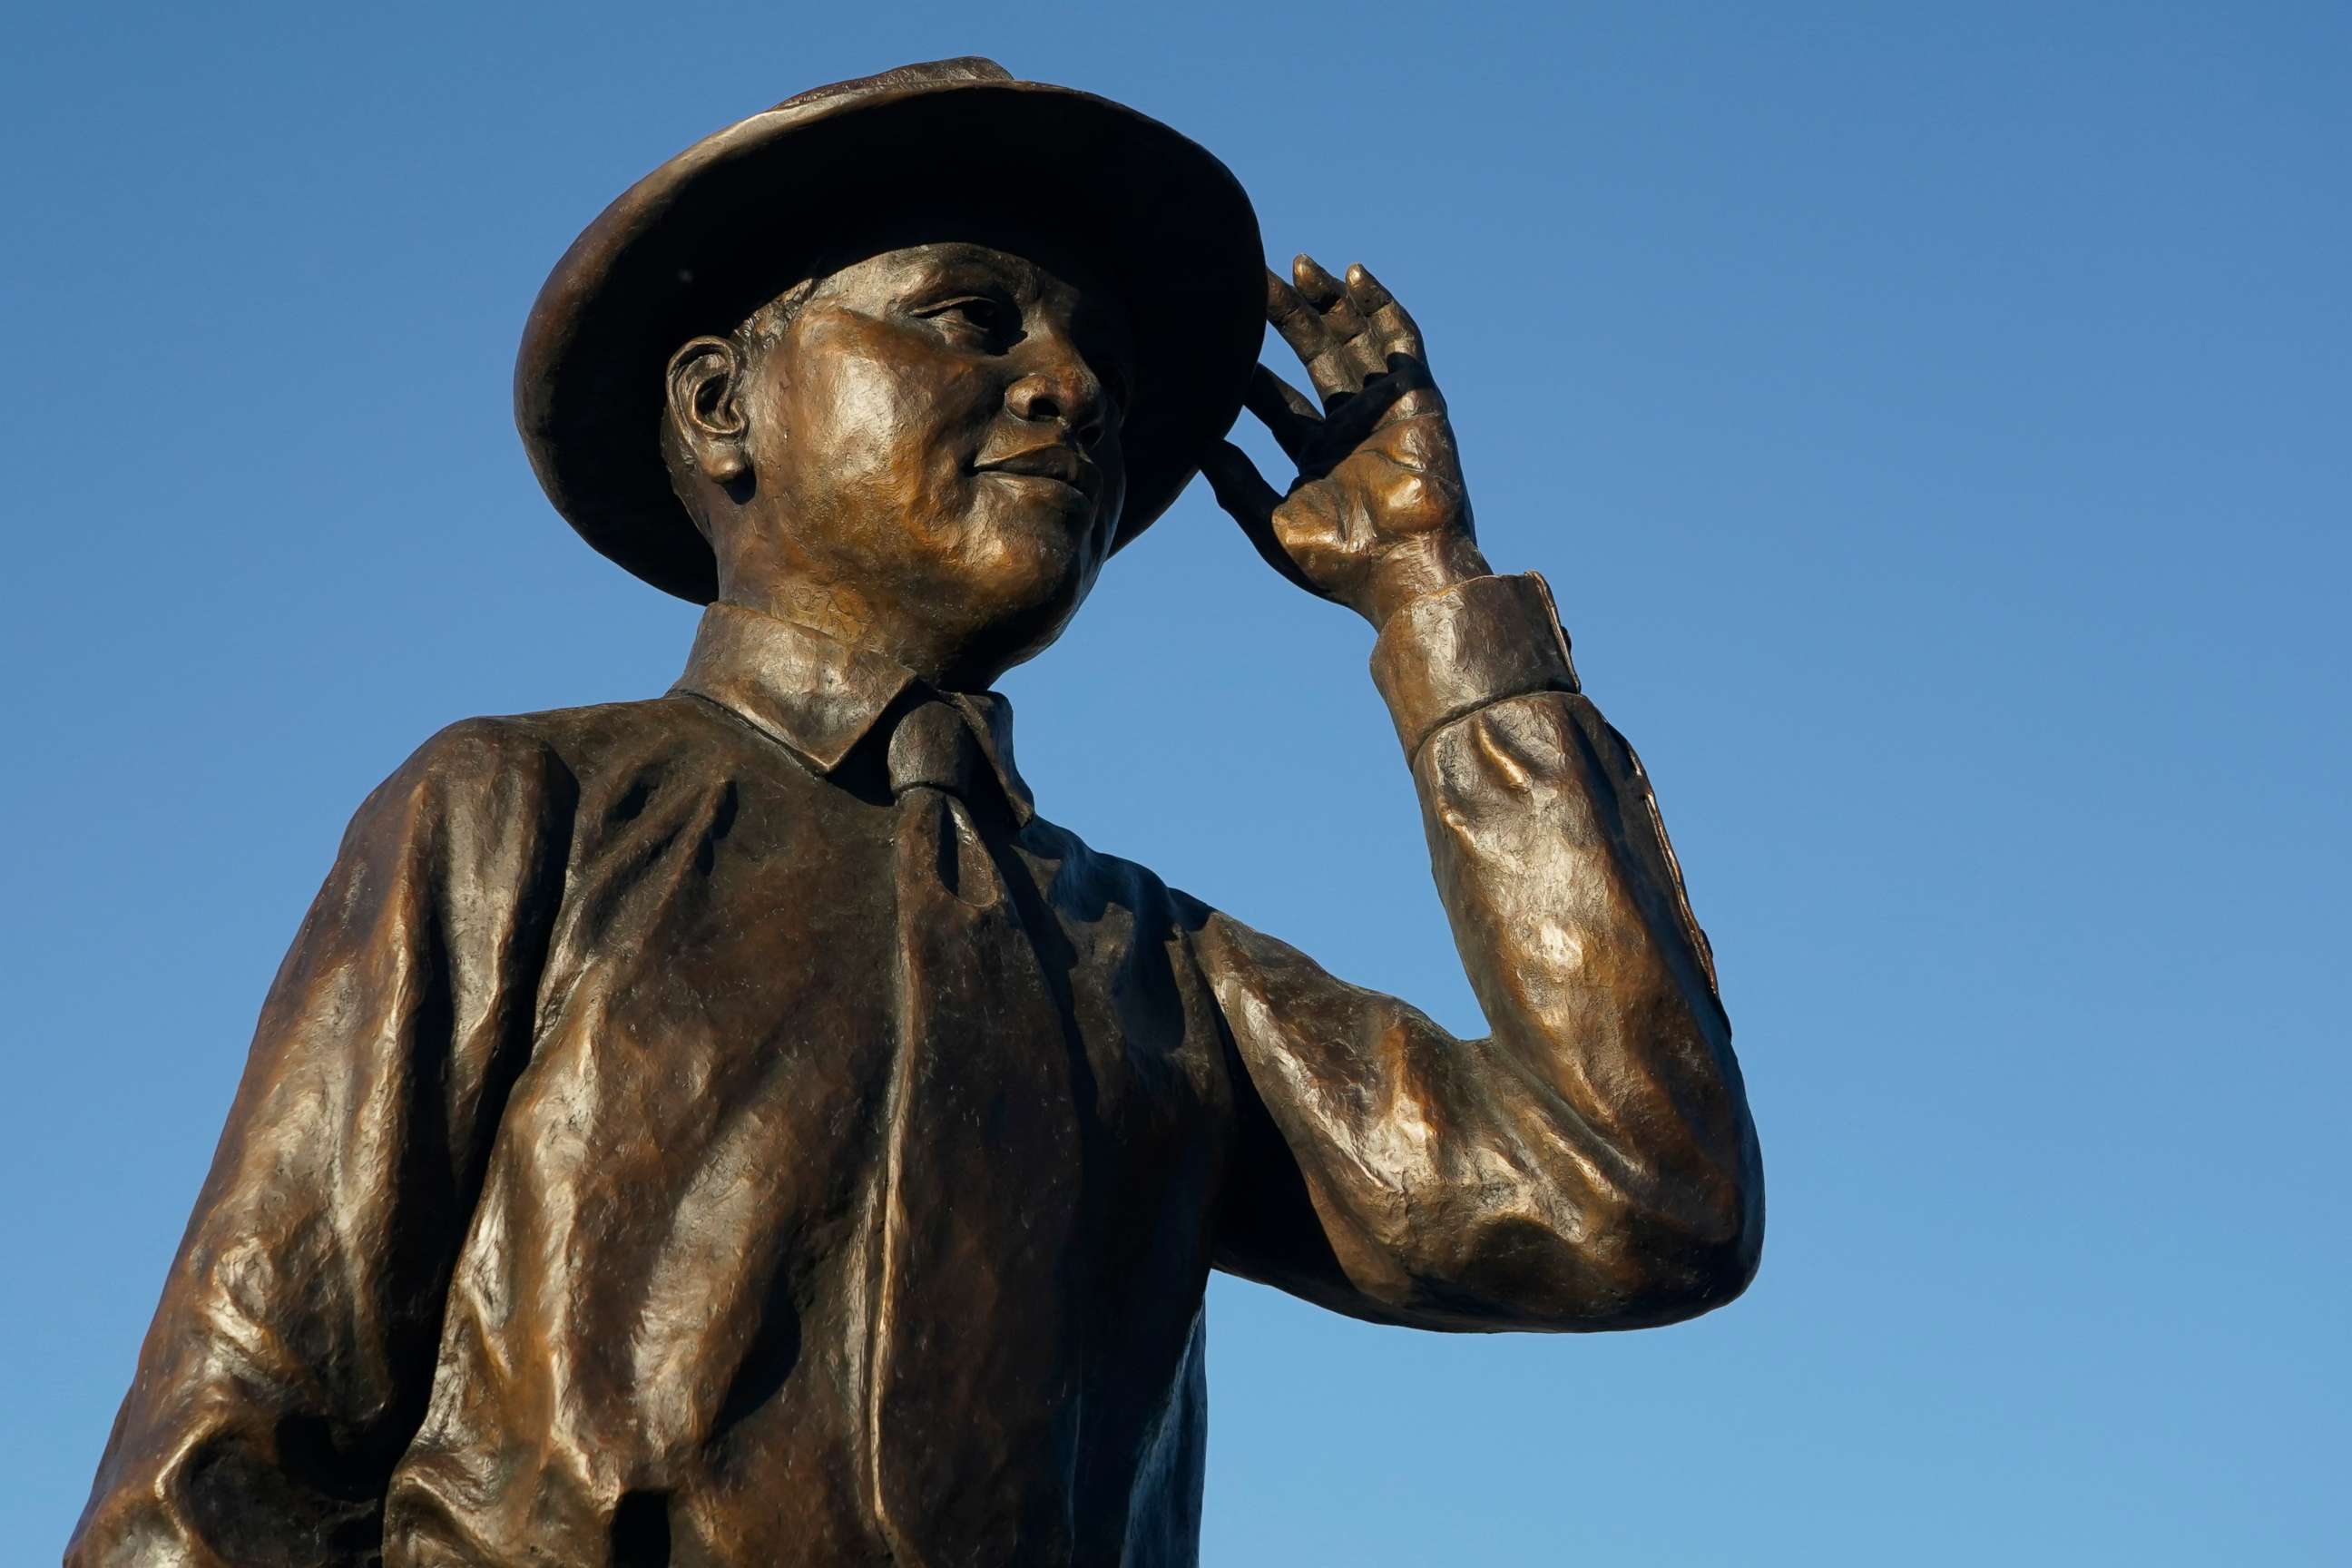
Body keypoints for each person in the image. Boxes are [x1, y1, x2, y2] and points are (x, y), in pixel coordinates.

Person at [69, 57, 1762, 1568]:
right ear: (726, 406)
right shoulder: (523, 813)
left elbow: (1639, 1197)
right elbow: (226, 1467)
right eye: (974, 321)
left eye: (1095, 354)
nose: (1073, 389)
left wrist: (1434, 603)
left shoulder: (1156, 970)